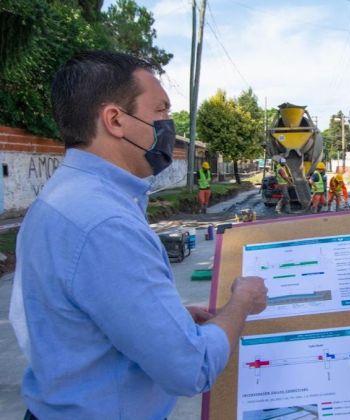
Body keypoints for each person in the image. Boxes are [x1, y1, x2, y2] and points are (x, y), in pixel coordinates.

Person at [8, 51, 268, 419]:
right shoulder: (105, 222)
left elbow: (73, 315)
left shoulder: (58, 198)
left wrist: (164, 319)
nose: (169, 124)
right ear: (115, 120)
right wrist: (240, 303)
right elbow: (191, 368)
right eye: (160, 111)